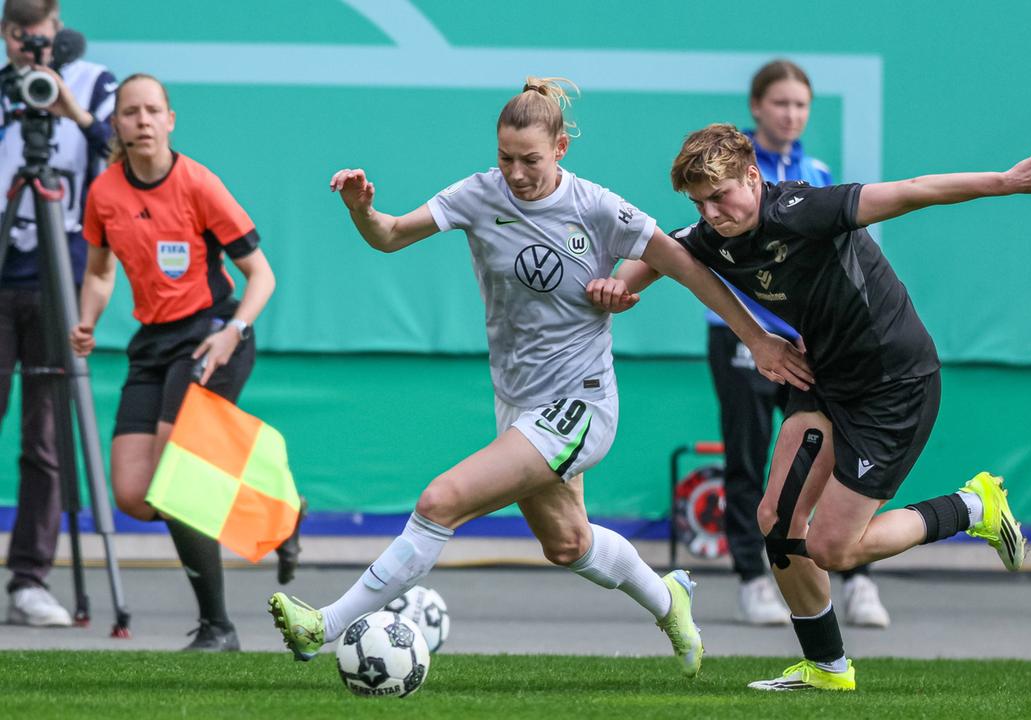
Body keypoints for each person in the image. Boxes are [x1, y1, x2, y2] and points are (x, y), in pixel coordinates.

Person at [267, 77, 811, 678]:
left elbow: (687, 267)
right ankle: (670, 598)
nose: (517, 173)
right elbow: (391, 236)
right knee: (568, 545)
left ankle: (324, 624)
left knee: (440, 501)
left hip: (582, 403)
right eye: (506, 158)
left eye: (530, 159)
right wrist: (362, 210)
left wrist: (756, 336)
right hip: (518, 401)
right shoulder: (478, 195)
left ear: (560, 150)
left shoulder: (598, 207)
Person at [595, 123, 1031, 690]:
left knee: (832, 548)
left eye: (720, 196)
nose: (712, 212)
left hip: (894, 386)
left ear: (753, 177)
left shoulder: (805, 209)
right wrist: (618, 288)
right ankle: (827, 666)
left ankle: (973, 508)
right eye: (699, 203)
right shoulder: (712, 232)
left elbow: (913, 189)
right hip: (823, 377)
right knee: (776, 522)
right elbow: (666, 254)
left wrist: (1006, 181)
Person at [74, 73, 280, 651]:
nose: (141, 120)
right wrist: (87, 319)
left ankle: (219, 628)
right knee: (135, 496)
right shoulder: (104, 193)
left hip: (212, 336)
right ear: (115, 124)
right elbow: (97, 271)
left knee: (176, 484)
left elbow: (261, 274)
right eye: (130, 112)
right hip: (152, 345)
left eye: (152, 110)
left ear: (169, 120)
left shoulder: (197, 183)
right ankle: (274, 506)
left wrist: (233, 331)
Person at [704, 59, 887, 627]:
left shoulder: (816, 171)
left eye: (801, 105)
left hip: (812, 345)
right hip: (746, 342)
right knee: (748, 457)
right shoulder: (728, 172)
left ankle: (855, 580)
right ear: (757, 107)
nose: (791, 114)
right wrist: (756, 334)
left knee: (831, 457)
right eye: (781, 103)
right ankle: (753, 579)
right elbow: (696, 253)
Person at [0, 0, 114, 628]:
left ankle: (29, 580)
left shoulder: (95, 83)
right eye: (17, 36)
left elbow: (124, 152)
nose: (30, 49)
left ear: (57, 28)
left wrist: (65, 103)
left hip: (60, 279)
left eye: (39, 35)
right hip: (1, 275)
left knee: (45, 438)